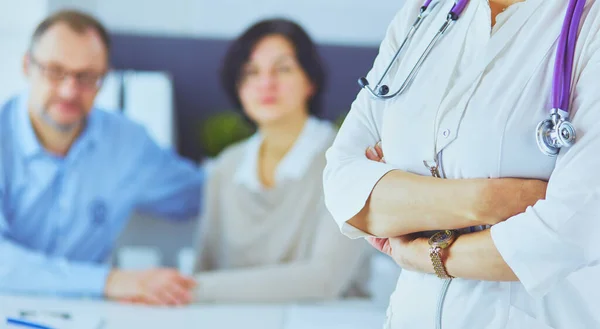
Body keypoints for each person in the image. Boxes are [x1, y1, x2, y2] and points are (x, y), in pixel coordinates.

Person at [324, 0, 600, 328]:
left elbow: (570, 231)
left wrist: (419, 252)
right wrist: (489, 201)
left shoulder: (588, 20)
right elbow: (343, 185)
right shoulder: (423, 13)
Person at [0, 10, 203, 306]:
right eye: (55, 71)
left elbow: (200, 194)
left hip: (88, 316)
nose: (70, 90)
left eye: (86, 77)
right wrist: (110, 281)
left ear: (104, 78)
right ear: (26, 65)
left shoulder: (127, 144)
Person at [192, 18, 370, 303]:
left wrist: (193, 289)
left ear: (310, 81)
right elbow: (204, 267)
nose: (266, 83)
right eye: (251, 72)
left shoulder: (347, 160)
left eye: (283, 69)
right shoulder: (226, 167)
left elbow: (325, 281)